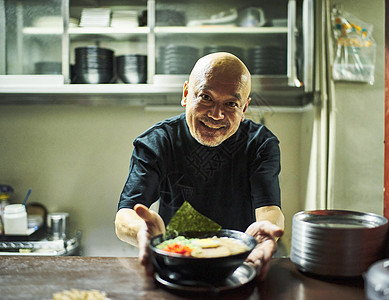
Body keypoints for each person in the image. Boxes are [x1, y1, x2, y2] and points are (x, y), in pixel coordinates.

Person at [114, 52, 284, 280]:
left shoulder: (260, 144)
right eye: (206, 97)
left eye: (231, 104)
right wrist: (141, 230)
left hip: (238, 267)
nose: (216, 114)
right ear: (186, 94)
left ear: (244, 109)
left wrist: (267, 233)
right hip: (175, 264)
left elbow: (269, 210)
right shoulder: (157, 142)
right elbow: (125, 214)